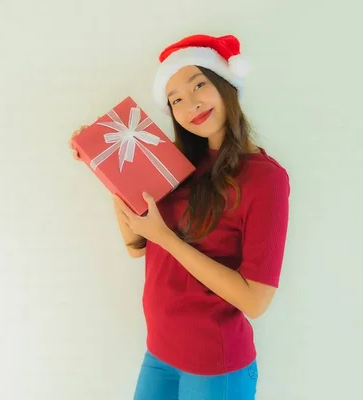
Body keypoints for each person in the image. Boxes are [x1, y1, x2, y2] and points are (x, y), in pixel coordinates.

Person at [69, 34, 290, 400]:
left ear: (226, 85)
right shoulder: (174, 164)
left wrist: (166, 238)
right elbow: (136, 245)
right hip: (159, 351)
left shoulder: (265, 178)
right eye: (176, 100)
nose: (191, 104)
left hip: (215, 366)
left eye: (199, 84)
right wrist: (107, 168)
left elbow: (255, 301)